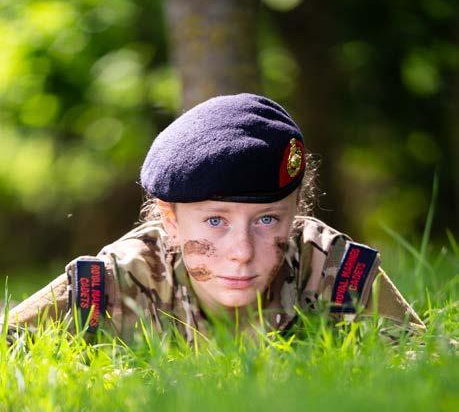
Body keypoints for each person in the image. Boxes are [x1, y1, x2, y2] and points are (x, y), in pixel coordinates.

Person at [4, 93, 424, 344]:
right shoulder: (121, 279)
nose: (242, 252)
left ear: (296, 213)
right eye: (215, 221)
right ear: (169, 220)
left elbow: (426, 360)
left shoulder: (328, 266)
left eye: (267, 220)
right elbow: (10, 349)